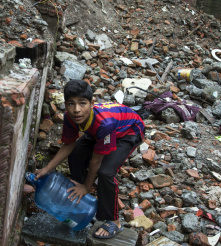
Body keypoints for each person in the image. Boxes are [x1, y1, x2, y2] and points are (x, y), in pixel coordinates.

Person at [34, 79, 145, 239]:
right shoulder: (70, 118)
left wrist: (87, 186)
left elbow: (96, 161)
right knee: (76, 154)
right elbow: (68, 145)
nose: (76, 110)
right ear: (65, 105)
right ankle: (79, 198)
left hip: (128, 131)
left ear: (92, 103)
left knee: (106, 172)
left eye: (82, 103)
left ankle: (114, 221)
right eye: (71, 104)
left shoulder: (104, 123)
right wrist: (46, 169)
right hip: (99, 132)